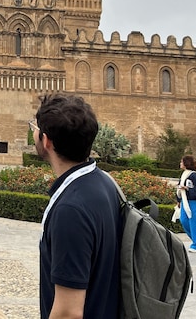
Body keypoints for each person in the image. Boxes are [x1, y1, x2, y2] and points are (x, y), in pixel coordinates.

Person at [33, 93, 121, 319]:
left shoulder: (70, 210)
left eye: (35, 127)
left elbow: (68, 312)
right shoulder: (103, 183)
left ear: (46, 141)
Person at [176, 155, 196, 253]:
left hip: (195, 202)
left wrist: (188, 189)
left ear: (186, 163)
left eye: (182, 162)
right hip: (185, 201)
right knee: (183, 220)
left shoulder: (194, 175)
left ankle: (195, 244)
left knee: (195, 222)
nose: (180, 164)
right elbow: (180, 188)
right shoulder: (184, 175)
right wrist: (178, 199)